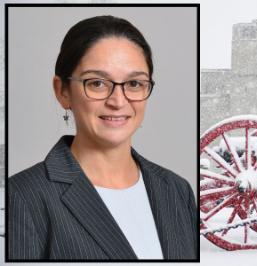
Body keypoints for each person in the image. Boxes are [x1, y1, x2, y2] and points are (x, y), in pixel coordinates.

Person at [8, 15, 197, 260]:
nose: (118, 101)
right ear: (62, 91)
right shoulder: (22, 197)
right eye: (97, 83)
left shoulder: (177, 191)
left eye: (134, 83)